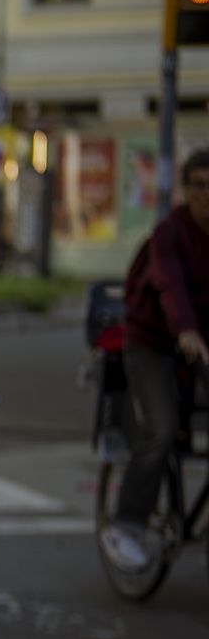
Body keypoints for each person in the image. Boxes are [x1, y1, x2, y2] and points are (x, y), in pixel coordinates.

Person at [102, 150, 209, 571]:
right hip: (153, 344)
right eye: (199, 185)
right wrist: (184, 328)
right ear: (185, 190)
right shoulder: (170, 233)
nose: (207, 195)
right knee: (161, 431)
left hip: (201, 345)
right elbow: (169, 283)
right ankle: (126, 524)